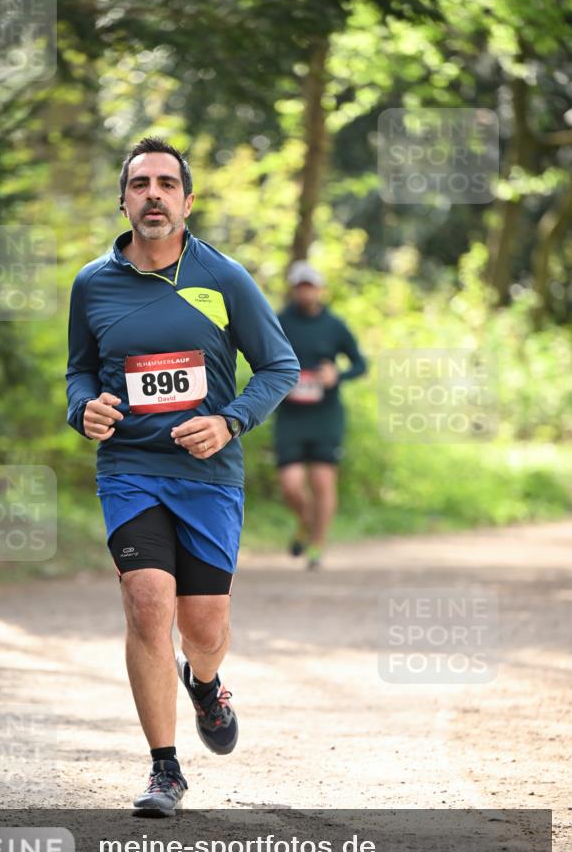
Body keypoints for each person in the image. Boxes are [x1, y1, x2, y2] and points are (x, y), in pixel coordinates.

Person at [66, 136, 299, 816]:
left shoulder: (223, 277)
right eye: (141, 184)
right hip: (130, 469)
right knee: (146, 604)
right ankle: (164, 769)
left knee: (202, 627)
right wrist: (84, 408)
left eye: (167, 184)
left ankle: (205, 682)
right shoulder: (92, 283)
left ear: (187, 201)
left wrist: (228, 421)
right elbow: (79, 368)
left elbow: (279, 367)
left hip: (207, 475)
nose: (154, 195)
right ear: (124, 199)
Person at [274, 261, 368, 569]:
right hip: (290, 414)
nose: (306, 291)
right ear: (293, 288)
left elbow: (360, 364)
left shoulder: (334, 325)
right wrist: (278, 379)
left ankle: (317, 544)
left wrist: (336, 375)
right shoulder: (279, 321)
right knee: (290, 484)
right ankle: (305, 520)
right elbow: (260, 354)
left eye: (310, 285)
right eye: (300, 286)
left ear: (319, 289)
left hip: (325, 414)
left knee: (323, 481)